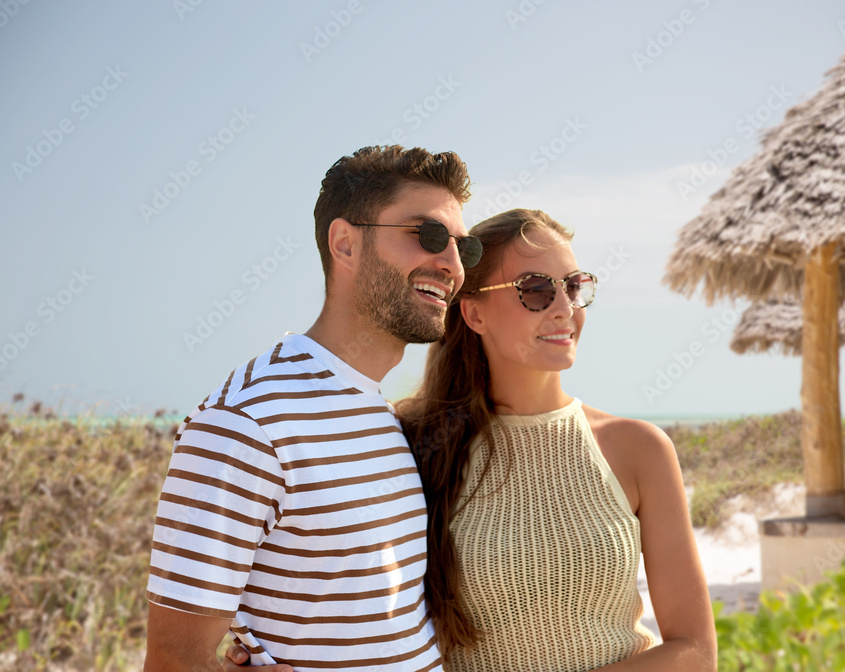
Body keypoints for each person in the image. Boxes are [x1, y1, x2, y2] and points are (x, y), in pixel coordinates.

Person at [225, 208, 717, 671]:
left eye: (574, 286)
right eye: (536, 289)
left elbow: (694, 651)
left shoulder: (638, 449)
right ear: (475, 315)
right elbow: (323, 578)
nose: (565, 308)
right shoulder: (412, 442)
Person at [143, 145, 483, 672]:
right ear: (345, 243)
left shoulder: (378, 413)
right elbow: (174, 662)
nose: (453, 266)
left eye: (465, 247)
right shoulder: (247, 424)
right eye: (429, 236)